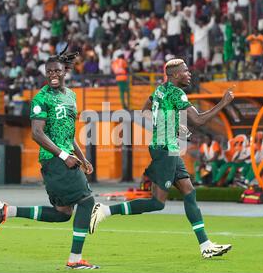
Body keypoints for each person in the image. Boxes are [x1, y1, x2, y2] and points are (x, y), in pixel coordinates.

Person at [90, 59, 235, 260]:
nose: (189, 74)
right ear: (175, 75)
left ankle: (205, 245)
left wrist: (171, 126)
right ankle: (105, 210)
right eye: (185, 71)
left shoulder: (160, 90)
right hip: (165, 149)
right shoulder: (177, 93)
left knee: (189, 191)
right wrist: (223, 102)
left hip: (168, 147)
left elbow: (145, 110)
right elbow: (199, 120)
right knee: (157, 203)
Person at [0, 51, 99, 270]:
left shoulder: (71, 96)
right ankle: (75, 260)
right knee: (87, 202)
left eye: (57, 70)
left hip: (66, 157)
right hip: (54, 160)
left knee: (63, 214)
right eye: (49, 71)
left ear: (64, 71)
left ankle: (7, 211)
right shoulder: (41, 98)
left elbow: (67, 134)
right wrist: (64, 155)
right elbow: (37, 134)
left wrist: (83, 158)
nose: (53, 75)